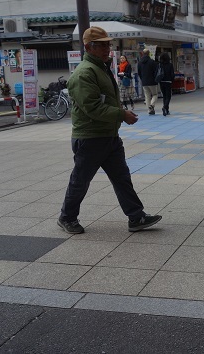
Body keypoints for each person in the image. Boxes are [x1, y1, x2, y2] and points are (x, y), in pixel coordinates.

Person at [57, 26, 161, 235]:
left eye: (108, 44)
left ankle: (136, 216)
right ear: (88, 47)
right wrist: (121, 114)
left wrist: (119, 114)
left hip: (108, 135)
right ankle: (66, 217)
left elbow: (105, 101)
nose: (108, 48)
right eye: (102, 45)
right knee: (80, 181)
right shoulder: (84, 73)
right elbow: (93, 107)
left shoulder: (100, 68)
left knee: (122, 177)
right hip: (90, 137)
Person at [138, 48, 159, 115]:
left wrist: (142, 79)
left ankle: (149, 110)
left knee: (147, 96)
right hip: (152, 81)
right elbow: (156, 72)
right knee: (155, 94)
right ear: (149, 53)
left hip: (144, 82)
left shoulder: (140, 62)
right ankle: (152, 105)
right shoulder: (152, 62)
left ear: (143, 54)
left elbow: (139, 73)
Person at [158, 52, 175, 116]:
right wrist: (172, 80)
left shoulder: (159, 64)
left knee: (164, 96)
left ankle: (166, 110)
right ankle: (165, 107)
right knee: (168, 96)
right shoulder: (170, 65)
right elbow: (172, 74)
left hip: (161, 81)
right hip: (168, 82)